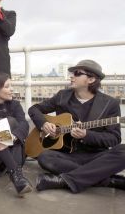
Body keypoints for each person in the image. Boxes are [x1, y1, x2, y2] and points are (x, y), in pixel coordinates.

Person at [28, 60, 125, 193]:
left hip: (95, 154)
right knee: (45, 157)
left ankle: (64, 180)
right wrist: (44, 124)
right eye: (72, 73)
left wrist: (87, 135)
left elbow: (114, 139)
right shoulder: (62, 96)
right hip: (67, 155)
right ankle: (109, 179)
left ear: (91, 79)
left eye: (77, 73)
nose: (71, 76)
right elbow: (34, 109)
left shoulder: (110, 104)